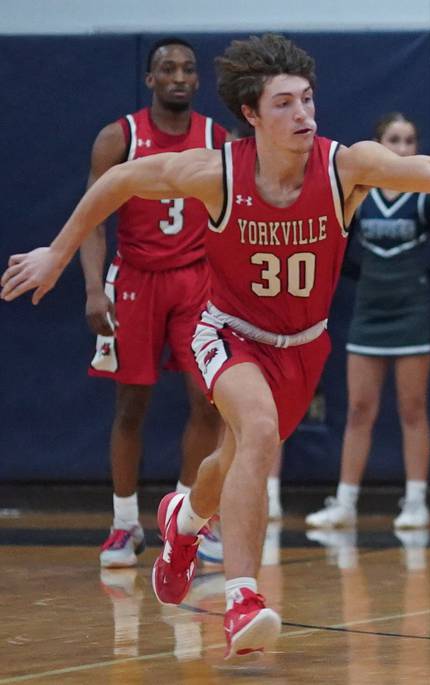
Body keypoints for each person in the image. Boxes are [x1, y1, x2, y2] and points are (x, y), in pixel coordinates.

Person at [1, 33, 430, 660]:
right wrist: (58, 251)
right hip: (227, 334)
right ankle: (243, 599)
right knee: (260, 433)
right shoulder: (217, 172)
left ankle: (182, 522)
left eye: (307, 100)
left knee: (228, 464)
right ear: (250, 114)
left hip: (303, 346)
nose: (303, 115)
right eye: (284, 104)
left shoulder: (345, 165)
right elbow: (123, 180)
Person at [79, 37, 227, 569]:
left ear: (197, 80)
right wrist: (95, 288)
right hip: (136, 279)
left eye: (188, 68)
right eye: (168, 68)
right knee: (131, 405)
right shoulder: (119, 137)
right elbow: (92, 219)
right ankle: (124, 525)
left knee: (207, 401)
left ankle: (187, 520)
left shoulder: (217, 138)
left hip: (197, 282)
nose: (179, 76)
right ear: (150, 80)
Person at [305, 112, 430, 530]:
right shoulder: (361, 194)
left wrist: (417, 279)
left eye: (410, 141)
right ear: (379, 145)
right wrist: (371, 278)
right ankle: (345, 503)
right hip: (368, 313)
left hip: (413, 314)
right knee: (359, 409)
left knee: (412, 409)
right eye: (394, 139)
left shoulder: (427, 198)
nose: (403, 148)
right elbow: (338, 253)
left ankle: (415, 502)